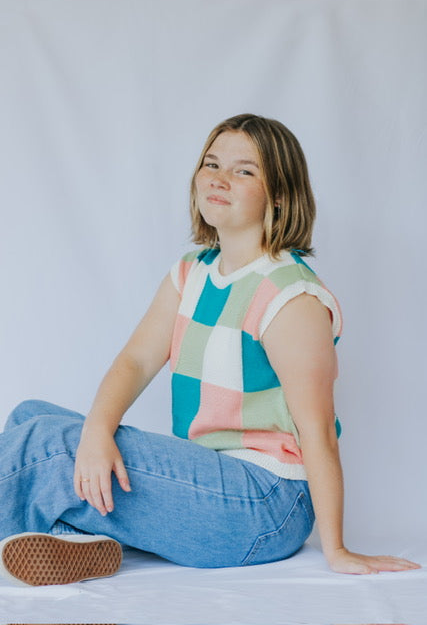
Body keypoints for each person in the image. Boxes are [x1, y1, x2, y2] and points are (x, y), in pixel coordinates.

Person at [0, 114, 420, 586]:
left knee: (48, 447)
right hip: (213, 481)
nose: (219, 178)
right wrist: (97, 431)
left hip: (265, 504)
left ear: (279, 196)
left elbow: (317, 429)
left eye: (244, 171)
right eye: (211, 163)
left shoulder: (290, 295)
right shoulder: (192, 273)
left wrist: (337, 549)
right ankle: (79, 538)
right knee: (29, 415)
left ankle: (72, 524)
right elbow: (136, 362)